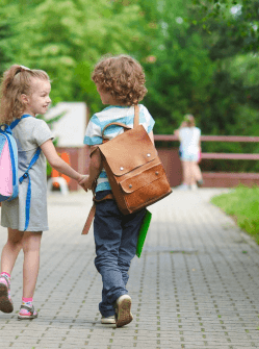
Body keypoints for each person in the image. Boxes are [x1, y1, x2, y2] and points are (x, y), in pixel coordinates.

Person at [0, 64, 87, 320]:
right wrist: (79, 177)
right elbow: (55, 161)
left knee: (12, 242)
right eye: (44, 95)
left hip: (11, 196)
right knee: (32, 248)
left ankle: (4, 278)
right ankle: (26, 306)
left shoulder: (7, 127)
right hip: (32, 198)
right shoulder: (38, 127)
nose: (49, 99)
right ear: (25, 99)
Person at [80, 55, 155, 327]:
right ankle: (110, 310)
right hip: (139, 194)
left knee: (106, 254)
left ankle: (120, 294)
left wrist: (89, 181)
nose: (98, 90)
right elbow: (149, 150)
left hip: (108, 196)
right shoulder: (142, 114)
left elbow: (95, 160)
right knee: (123, 253)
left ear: (109, 86)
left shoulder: (99, 120)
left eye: (99, 85)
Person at [174, 115, 203, 190]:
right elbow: (198, 142)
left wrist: (181, 126)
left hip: (185, 151)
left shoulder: (183, 131)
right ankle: (193, 184)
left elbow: (176, 133)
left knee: (187, 168)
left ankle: (186, 184)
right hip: (195, 151)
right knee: (193, 167)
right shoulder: (197, 130)